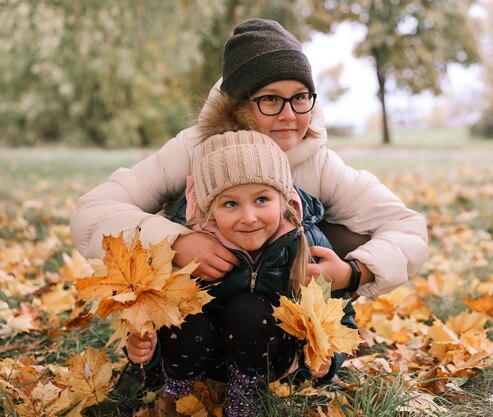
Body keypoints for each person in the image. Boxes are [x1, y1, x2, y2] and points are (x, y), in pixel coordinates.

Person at [70, 16, 428, 406]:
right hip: (200, 304)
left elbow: (407, 227)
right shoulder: (193, 149)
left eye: (300, 96)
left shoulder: (318, 162)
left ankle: (297, 352)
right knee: (168, 224)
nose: (289, 114)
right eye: (270, 99)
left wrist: (354, 271)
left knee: (335, 230)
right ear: (238, 103)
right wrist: (177, 241)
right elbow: (92, 213)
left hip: (272, 309)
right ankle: (173, 362)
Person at [125, 130, 357, 416]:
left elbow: (338, 316)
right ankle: (181, 392)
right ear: (209, 209)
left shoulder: (306, 244)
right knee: (186, 312)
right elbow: (152, 315)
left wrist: (328, 358)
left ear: (284, 198)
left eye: (262, 199)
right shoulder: (188, 245)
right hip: (203, 357)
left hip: (270, 359)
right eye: (231, 204)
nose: (249, 217)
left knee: (249, 308)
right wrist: (144, 349)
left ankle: (247, 397)